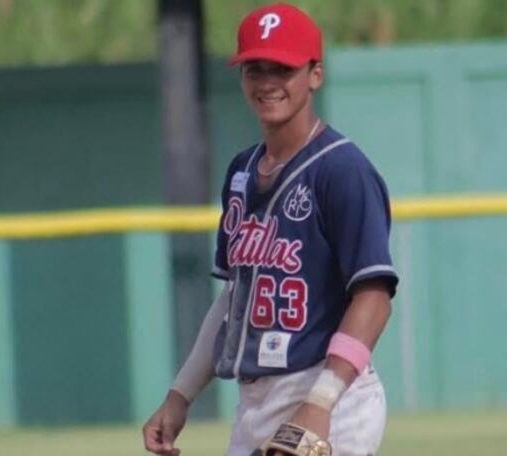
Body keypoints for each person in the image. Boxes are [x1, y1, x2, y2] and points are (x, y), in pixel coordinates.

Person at [142, 3, 398, 455]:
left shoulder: (342, 170)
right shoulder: (241, 171)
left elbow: (374, 298)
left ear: (315, 74)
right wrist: (180, 395)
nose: (266, 82)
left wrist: (320, 403)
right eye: (254, 69)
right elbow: (233, 298)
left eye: (282, 68)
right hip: (256, 401)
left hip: (328, 393)